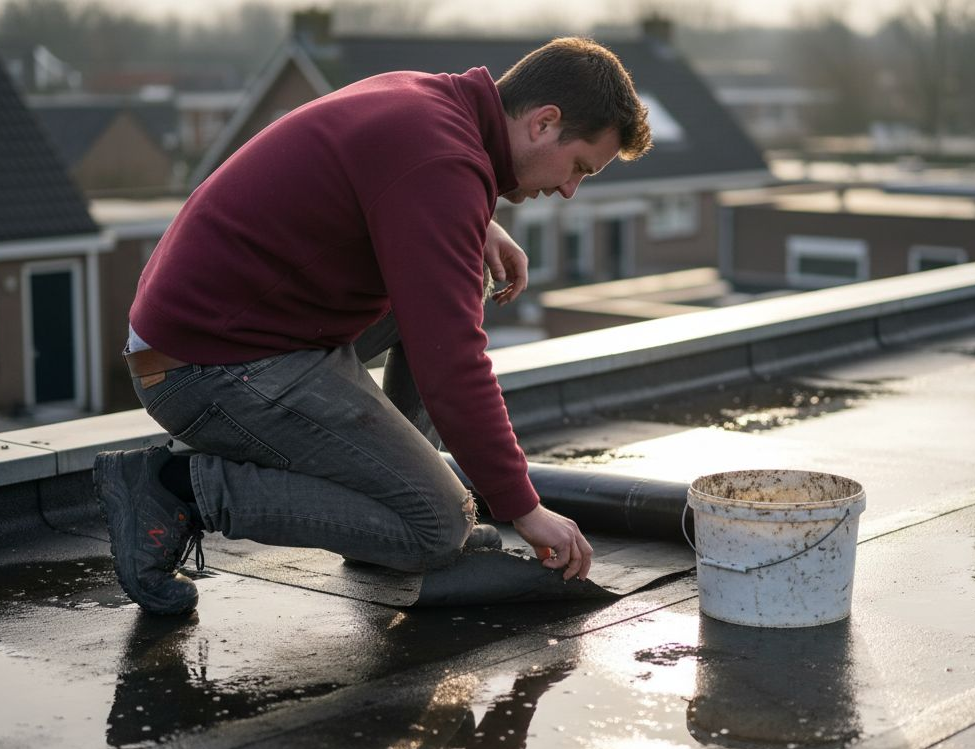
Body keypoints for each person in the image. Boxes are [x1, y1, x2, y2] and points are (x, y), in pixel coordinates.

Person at [95, 37, 653, 615]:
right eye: (579, 167)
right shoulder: (440, 165)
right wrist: (523, 508)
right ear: (544, 123)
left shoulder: (433, 106)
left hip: (233, 328)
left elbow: (399, 180)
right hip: (206, 366)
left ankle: (398, 503)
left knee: (459, 279)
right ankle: (175, 490)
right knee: (436, 530)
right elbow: (452, 364)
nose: (568, 190)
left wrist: (478, 224)